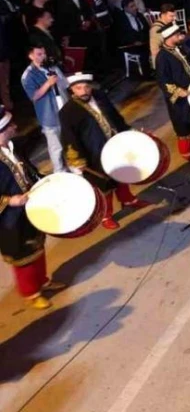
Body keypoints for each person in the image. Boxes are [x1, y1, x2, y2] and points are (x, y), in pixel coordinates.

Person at [58, 73, 152, 229]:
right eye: (78, 88)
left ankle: (127, 199)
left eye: (86, 87)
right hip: (94, 153)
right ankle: (106, 215)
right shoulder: (68, 112)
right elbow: (69, 138)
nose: (83, 91)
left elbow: (115, 117)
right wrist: (77, 161)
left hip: (114, 144)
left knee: (122, 173)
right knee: (104, 185)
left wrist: (128, 132)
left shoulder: (100, 97)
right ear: (72, 90)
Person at [0, 107, 59, 310]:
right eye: (10, 126)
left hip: (29, 207)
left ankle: (42, 281)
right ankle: (31, 293)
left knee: (37, 245)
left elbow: (28, 169)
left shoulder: (14, 146)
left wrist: (43, 181)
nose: (15, 127)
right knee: (22, 255)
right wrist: (9, 201)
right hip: (9, 219)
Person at [154, 25, 190, 160]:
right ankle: (187, 153)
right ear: (169, 37)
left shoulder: (178, 49)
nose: (181, 36)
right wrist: (178, 91)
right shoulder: (162, 57)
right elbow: (163, 80)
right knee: (184, 124)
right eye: (178, 35)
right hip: (180, 97)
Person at [20, 44, 69, 172]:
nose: (43, 56)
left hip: (64, 109)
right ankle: (60, 172)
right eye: (39, 54)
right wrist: (48, 83)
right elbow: (34, 96)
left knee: (70, 141)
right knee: (56, 147)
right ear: (31, 56)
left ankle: (74, 166)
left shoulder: (52, 66)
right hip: (50, 116)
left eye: (44, 53)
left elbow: (65, 84)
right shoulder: (28, 75)